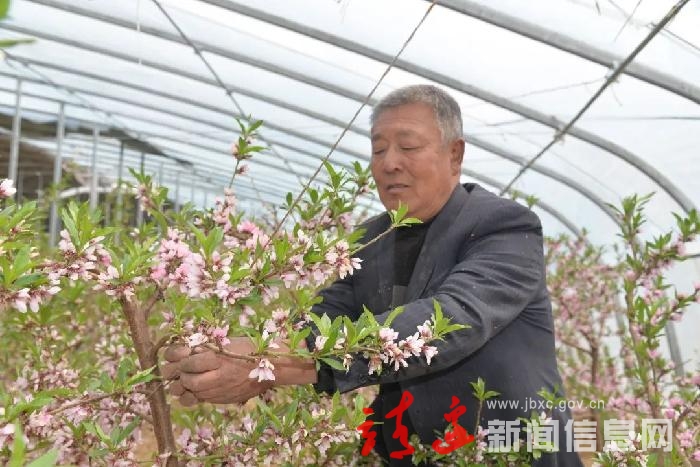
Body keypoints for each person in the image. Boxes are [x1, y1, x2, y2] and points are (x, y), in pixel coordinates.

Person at [163, 85, 583, 466]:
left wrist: (269, 361)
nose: (389, 163)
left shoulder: (503, 226)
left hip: (512, 452)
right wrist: (234, 358)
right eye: (378, 149)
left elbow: (451, 319)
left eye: (408, 146)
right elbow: (325, 316)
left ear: (454, 155)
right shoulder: (371, 239)